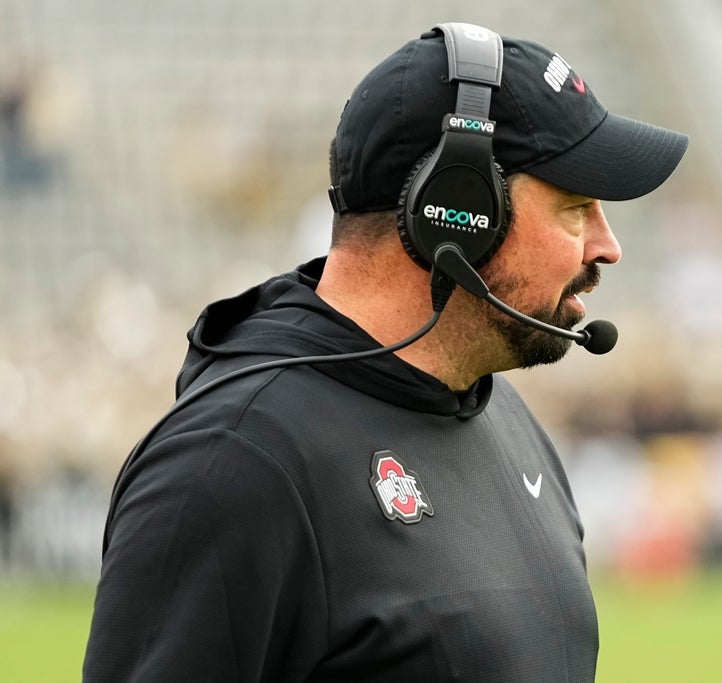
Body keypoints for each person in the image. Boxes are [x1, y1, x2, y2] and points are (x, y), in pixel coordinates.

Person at [84, 23, 688, 682]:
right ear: (456, 208)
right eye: (575, 207)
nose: (607, 246)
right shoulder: (233, 463)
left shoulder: (507, 421)